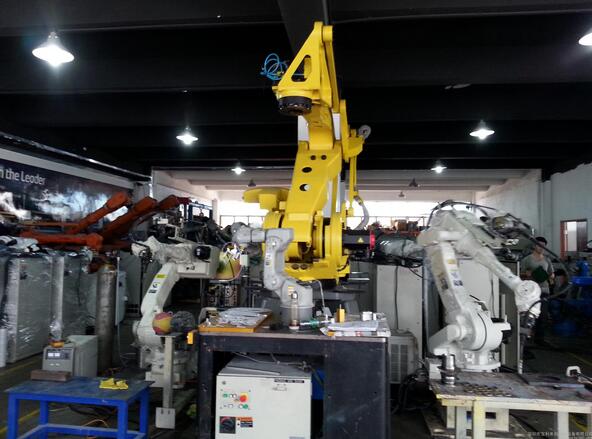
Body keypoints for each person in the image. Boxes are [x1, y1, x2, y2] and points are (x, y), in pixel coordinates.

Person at [521, 236, 554, 343]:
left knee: (542, 316)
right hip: (531, 291)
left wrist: (550, 277)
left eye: (543, 246)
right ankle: (525, 340)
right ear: (534, 246)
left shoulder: (547, 260)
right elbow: (519, 274)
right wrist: (526, 274)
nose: (541, 247)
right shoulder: (527, 260)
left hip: (544, 290)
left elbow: (551, 274)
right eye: (539, 245)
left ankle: (540, 339)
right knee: (529, 316)